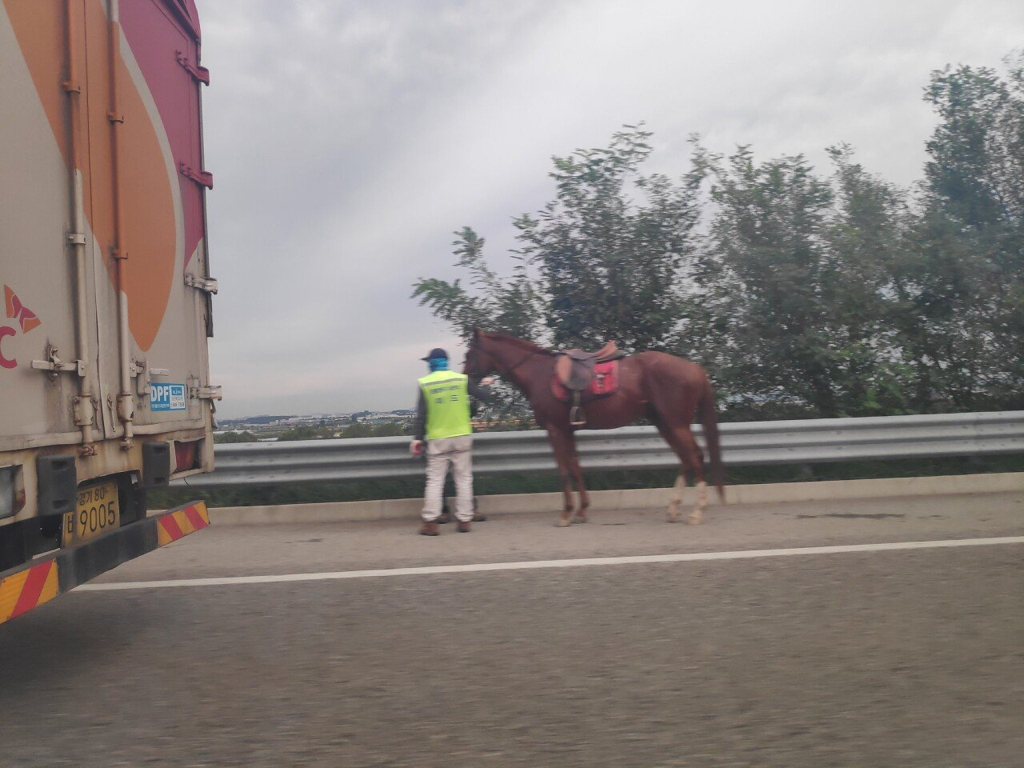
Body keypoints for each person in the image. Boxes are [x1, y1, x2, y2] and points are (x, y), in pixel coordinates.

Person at [410, 347, 492, 536]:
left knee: (435, 481)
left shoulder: (425, 383)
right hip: (462, 436)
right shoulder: (461, 379)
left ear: (431, 363)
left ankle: (431, 522)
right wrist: (487, 385)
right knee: (463, 479)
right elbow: (483, 396)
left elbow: (421, 416)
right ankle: (464, 521)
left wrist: (417, 440)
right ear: (446, 362)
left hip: (438, 439)